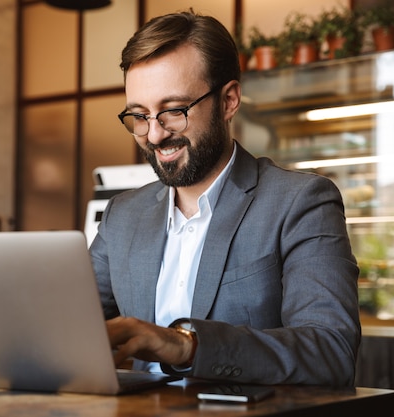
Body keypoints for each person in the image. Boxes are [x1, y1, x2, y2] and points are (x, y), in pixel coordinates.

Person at [88, 10, 360, 386]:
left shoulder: (300, 202)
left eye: (172, 111)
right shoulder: (123, 215)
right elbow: (71, 327)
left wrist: (186, 346)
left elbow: (331, 351)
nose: (153, 135)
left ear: (229, 100)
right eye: (139, 115)